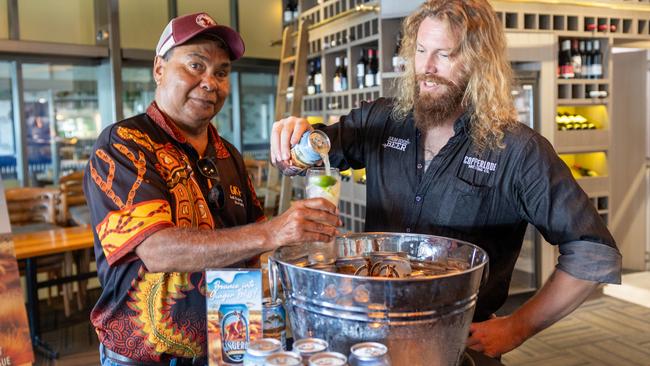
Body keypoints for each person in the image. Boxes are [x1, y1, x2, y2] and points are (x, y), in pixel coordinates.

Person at [271, 0, 621, 358]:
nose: (427, 67)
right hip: (369, 342)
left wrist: (517, 327)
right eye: (421, 50)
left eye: (445, 54)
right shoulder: (382, 120)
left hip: (457, 348)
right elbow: (314, 152)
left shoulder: (518, 150)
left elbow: (594, 254)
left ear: (478, 61)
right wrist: (295, 142)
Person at [84, 12, 339, 365]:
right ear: (159, 68)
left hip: (228, 347)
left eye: (221, 72)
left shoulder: (228, 155)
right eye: (195, 65)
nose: (210, 82)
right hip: (146, 357)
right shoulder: (125, 145)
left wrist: (310, 256)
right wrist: (272, 232)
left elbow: (258, 250)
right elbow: (156, 250)